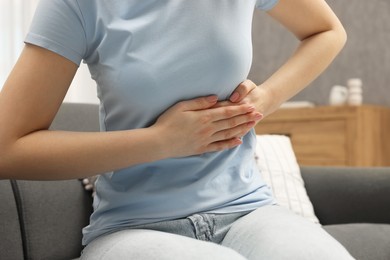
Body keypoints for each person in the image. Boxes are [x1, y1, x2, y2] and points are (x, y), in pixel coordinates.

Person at [0, 0, 353, 259]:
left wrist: (265, 99)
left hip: (247, 209)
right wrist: (162, 141)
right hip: (135, 227)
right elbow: (8, 149)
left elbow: (327, 31)